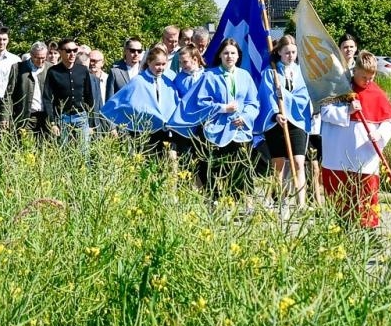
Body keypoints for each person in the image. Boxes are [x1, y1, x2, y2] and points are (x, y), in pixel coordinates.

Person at [318, 51, 391, 228]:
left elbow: (389, 123)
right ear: (355, 71)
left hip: (365, 155)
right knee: (339, 197)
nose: (368, 81)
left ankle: (367, 233)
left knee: (366, 197)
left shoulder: (377, 93)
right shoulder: (339, 88)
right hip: (338, 154)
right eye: (364, 77)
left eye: (371, 77)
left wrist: (379, 135)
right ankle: (339, 230)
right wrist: (347, 111)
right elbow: (325, 112)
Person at [191, 38, 261, 202]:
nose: (229, 56)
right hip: (215, 131)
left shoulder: (245, 76)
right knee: (214, 168)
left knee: (240, 168)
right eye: (226, 53)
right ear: (220, 55)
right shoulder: (209, 76)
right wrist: (223, 108)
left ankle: (241, 204)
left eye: (233, 53)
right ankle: (214, 202)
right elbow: (201, 102)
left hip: (239, 131)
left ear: (238, 56)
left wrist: (245, 117)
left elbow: (253, 103)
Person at [258, 34, 313, 210]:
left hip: (296, 121)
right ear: (279, 53)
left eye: (293, 52)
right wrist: (276, 113)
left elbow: (304, 96)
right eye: (287, 52)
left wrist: (286, 97)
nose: (290, 56)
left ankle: (301, 203)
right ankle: (281, 200)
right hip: (277, 123)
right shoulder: (270, 72)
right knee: (278, 165)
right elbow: (266, 95)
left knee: (298, 162)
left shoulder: (301, 72)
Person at [100, 44, 181, 157]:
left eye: (163, 64)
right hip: (143, 131)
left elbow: (174, 104)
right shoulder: (138, 81)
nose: (161, 68)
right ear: (149, 62)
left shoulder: (168, 82)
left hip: (165, 131)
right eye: (157, 64)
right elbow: (123, 101)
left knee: (169, 162)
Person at [45, 38, 95, 152]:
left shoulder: (83, 70)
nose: (72, 53)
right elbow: (47, 98)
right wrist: (52, 122)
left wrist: (91, 123)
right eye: (68, 51)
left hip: (81, 117)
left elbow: (89, 96)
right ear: (61, 52)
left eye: (74, 50)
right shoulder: (53, 72)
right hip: (62, 118)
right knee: (64, 152)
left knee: (84, 152)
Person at [10, 42, 52, 142]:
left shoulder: (50, 68)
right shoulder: (18, 68)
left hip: (46, 117)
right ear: (31, 55)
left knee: (46, 148)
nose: (41, 61)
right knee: (26, 146)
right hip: (26, 116)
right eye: (37, 58)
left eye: (43, 58)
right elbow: (9, 93)